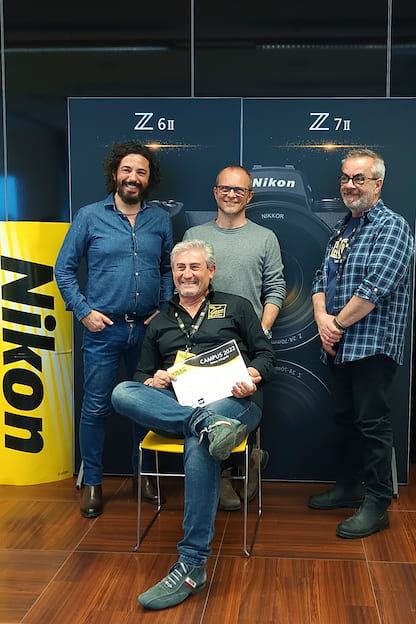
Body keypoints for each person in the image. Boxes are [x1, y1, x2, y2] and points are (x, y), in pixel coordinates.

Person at [111, 239, 275, 610]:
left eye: (195, 267)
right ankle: (206, 424)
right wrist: (153, 380)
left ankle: (191, 564)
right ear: (173, 273)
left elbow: (267, 357)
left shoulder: (236, 306)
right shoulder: (160, 320)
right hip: (179, 405)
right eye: (180, 267)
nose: (187, 274)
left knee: (199, 443)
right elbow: (140, 377)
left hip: (235, 402)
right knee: (122, 391)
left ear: (210, 271)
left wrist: (251, 376)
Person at [55, 141, 173, 518]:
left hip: (147, 332)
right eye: (127, 170)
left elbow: (168, 269)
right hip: (103, 330)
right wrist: (83, 311)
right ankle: (92, 482)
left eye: (141, 172)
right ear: (114, 174)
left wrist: (163, 309)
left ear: (149, 179)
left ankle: (144, 476)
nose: (133, 177)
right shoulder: (89, 216)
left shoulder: (160, 220)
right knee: (95, 407)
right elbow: (63, 269)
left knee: (146, 406)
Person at [309, 148, 414, 538]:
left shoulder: (392, 226)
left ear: (378, 183)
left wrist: (334, 324)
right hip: (337, 344)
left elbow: (375, 288)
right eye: (345, 178)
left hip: (372, 345)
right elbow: (320, 278)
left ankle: (378, 502)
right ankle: (350, 486)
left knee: (372, 424)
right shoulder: (343, 227)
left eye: (359, 178)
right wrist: (323, 321)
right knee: (344, 418)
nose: (349, 185)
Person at [184, 165, 286, 510]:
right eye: (225, 188)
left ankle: (251, 459)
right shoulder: (194, 235)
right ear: (215, 192)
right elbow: (184, 284)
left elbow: (276, 287)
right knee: (209, 408)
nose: (231, 195)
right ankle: (225, 473)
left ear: (249, 196)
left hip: (248, 342)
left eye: (239, 190)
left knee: (246, 401)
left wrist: (263, 330)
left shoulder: (265, 237)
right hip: (203, 341)